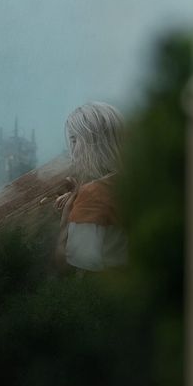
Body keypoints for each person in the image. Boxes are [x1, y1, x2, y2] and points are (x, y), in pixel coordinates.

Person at [54, 101, 129, 273]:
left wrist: (67, 217)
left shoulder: (93, 193)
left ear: (93, 142)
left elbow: (71, 264)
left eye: (74, 140)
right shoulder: (134, 180)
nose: (71, 151)